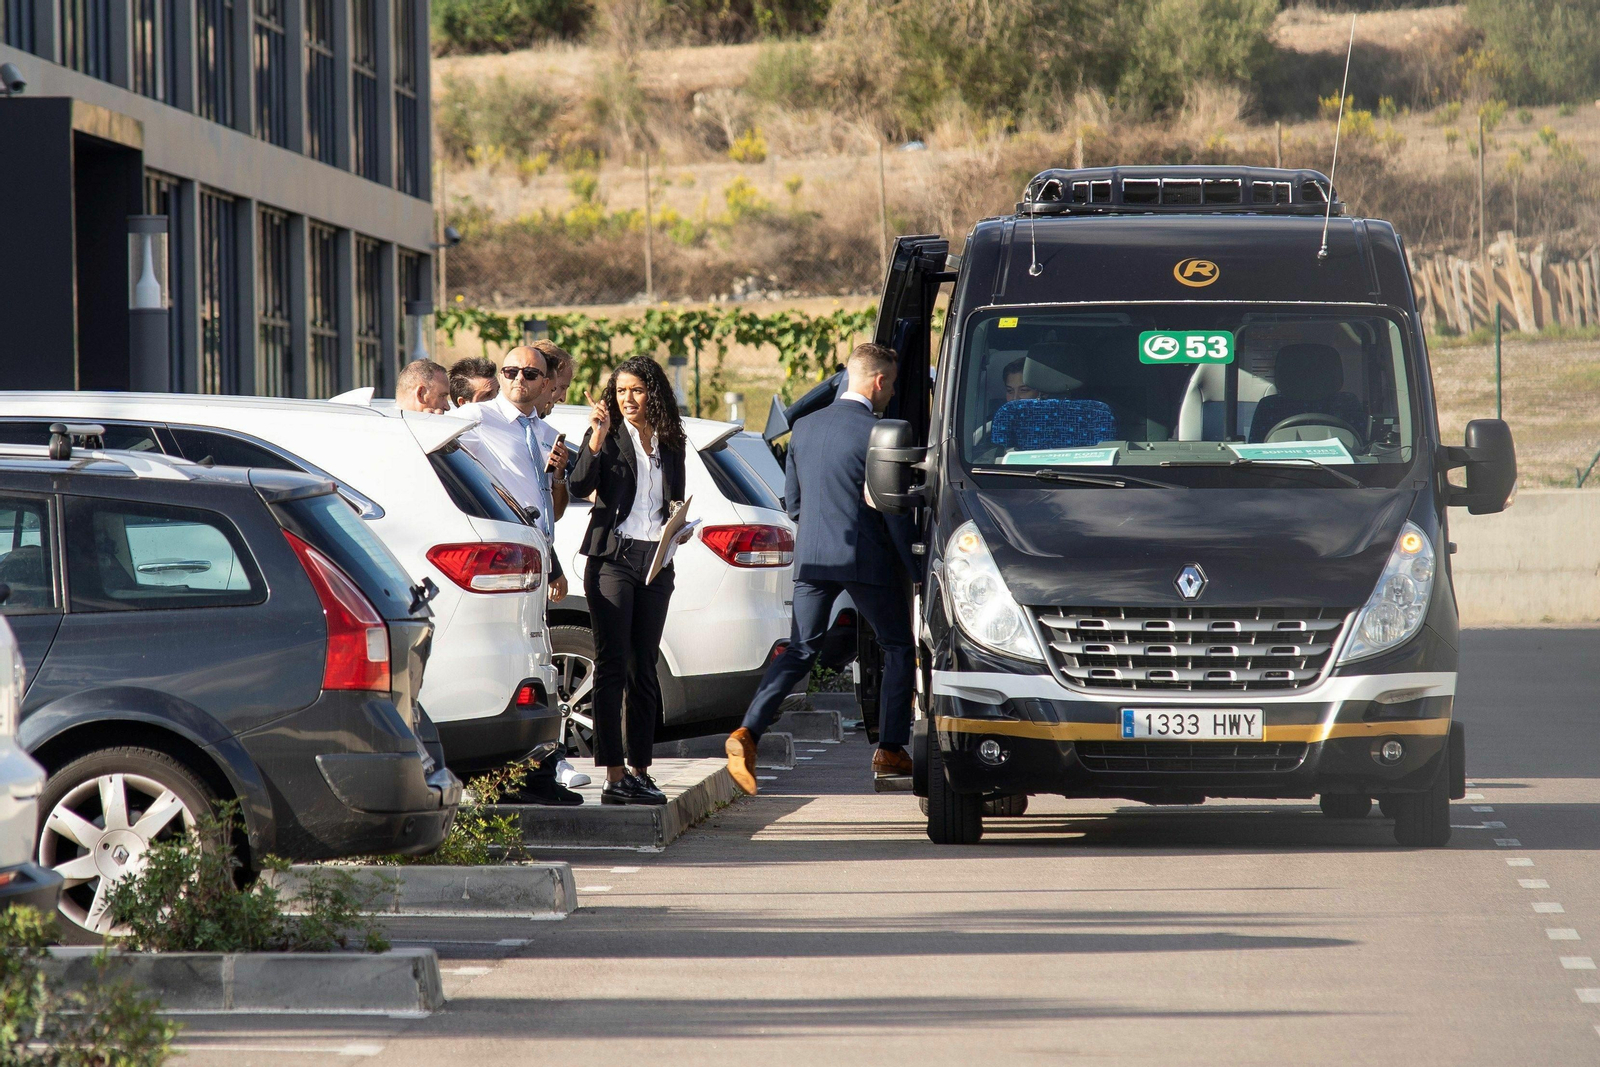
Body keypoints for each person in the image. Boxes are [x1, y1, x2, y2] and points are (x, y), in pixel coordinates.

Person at [726, 342, 916, 795]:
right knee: (897, 648)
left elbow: (793, 504)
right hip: (865, 558)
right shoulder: (883, 432)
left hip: (811, 556)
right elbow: (892, 511)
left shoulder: (805, 428)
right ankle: (890, 750)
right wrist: (912, 566)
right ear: (879, 381)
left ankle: (747, 732)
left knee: (800, 650)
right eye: (890, 385)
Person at [457, 345, 580, 805]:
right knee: (512, 657)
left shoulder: (549, 433)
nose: (518, 380)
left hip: (537, 556)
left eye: (530, 373)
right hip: (499, 558)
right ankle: (523, 767)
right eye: (510, 371)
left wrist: (560, 477)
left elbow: (554, 509)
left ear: (546, 382)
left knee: (538, 656)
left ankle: (543, 760)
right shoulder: (477, 419)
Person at [568, 356, 693, 806]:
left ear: (652, 392)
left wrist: (680, 525)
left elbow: (672, 498)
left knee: (645, 669)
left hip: (656, 562)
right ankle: (614, 776)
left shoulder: (671, 440)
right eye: (621, 392)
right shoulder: (606, 434)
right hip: (612, 563)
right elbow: (581, 484)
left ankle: (640, 770)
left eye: (636, 390)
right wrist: (596, 438)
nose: (628, 399)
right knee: (612, 666)